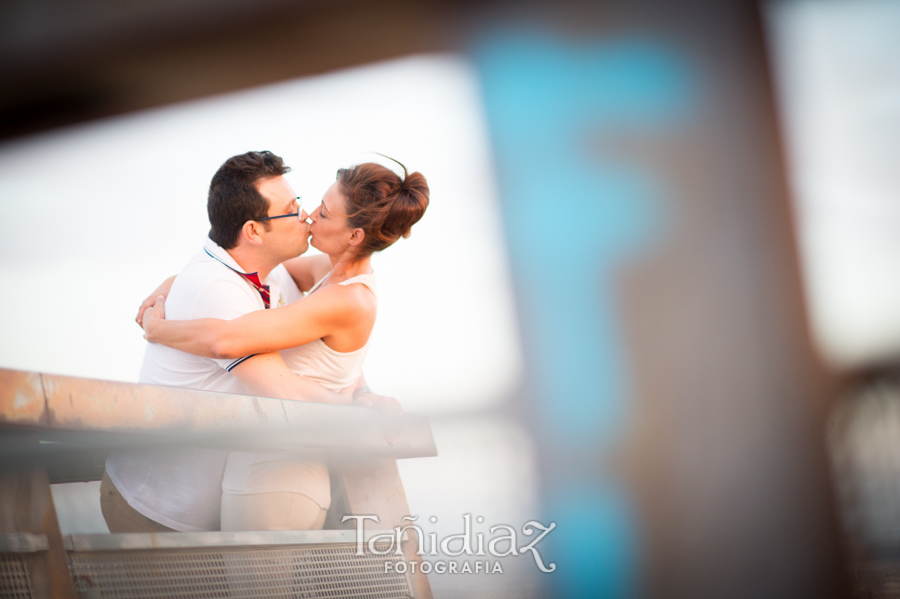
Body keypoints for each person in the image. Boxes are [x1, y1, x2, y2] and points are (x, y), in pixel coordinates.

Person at [102, 150, 389, 534]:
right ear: (254, 231)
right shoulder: (217, 290)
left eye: (306, 204)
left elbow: (330, 341)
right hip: (157, 506)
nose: (306, 216)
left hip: (214, 502)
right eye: (293, 209)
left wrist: (364, 389)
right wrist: (360, 408)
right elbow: (284, 388)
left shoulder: (276, 272)